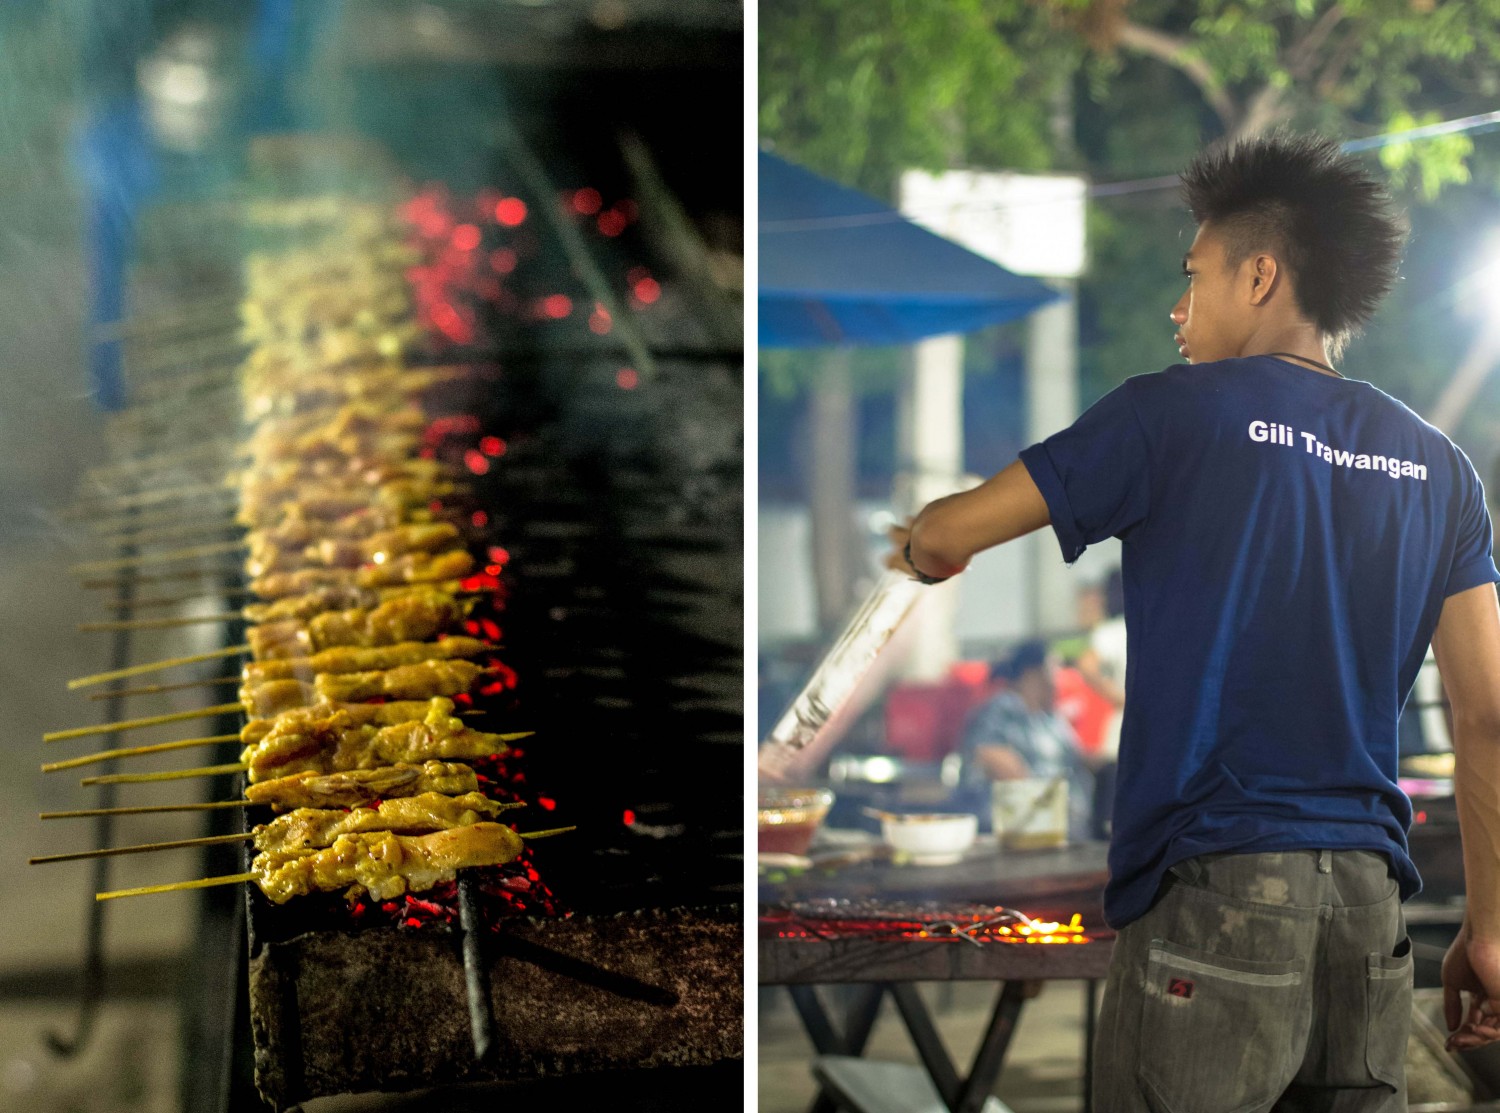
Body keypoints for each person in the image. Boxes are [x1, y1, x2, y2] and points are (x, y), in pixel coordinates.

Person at [887, 131, 1500, 1110]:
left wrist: (923, 542)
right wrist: (1493, 930)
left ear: (1259, 276)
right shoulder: (1437, 466)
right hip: (1370, 908)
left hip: (1217, 891)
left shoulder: (1170, 414)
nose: (1179, 308)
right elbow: (1489, 717)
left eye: (1195, 276)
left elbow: (961, 527)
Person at [956, 640, 1095, 841]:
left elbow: (1078, 759)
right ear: (1033, 674)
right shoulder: (999, 710)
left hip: (1067, 833)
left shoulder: (1051, 719)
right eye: (1053, 670)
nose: (1058, 679)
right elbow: (993, 757)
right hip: (1022, 835)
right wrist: (1049, 805)